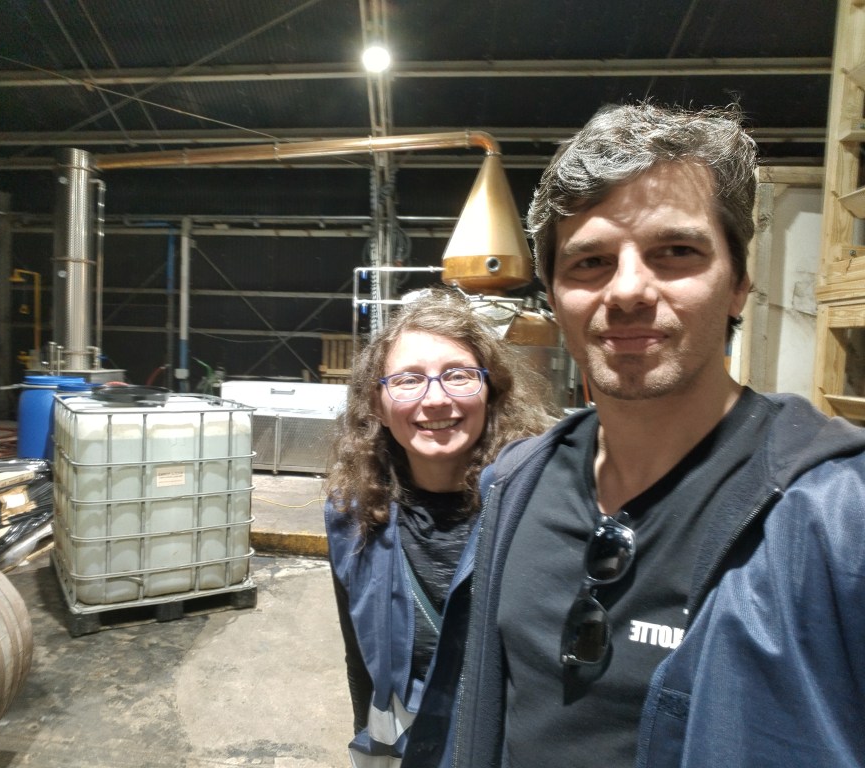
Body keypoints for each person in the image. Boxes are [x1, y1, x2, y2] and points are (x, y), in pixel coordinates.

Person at [403, 103, 865, 768]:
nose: (627, 291)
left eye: (675, 252)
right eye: (590, 262)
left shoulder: (834, 519)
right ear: (555, 298)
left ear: (739, 283)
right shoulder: (516, 484)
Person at [324, 288, 553, 767]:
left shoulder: (540, 505)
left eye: (458, 375)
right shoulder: (352, 516)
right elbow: (359, 659)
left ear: (491, 390)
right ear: (378, 404)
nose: (435, 399)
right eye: (408, 380)